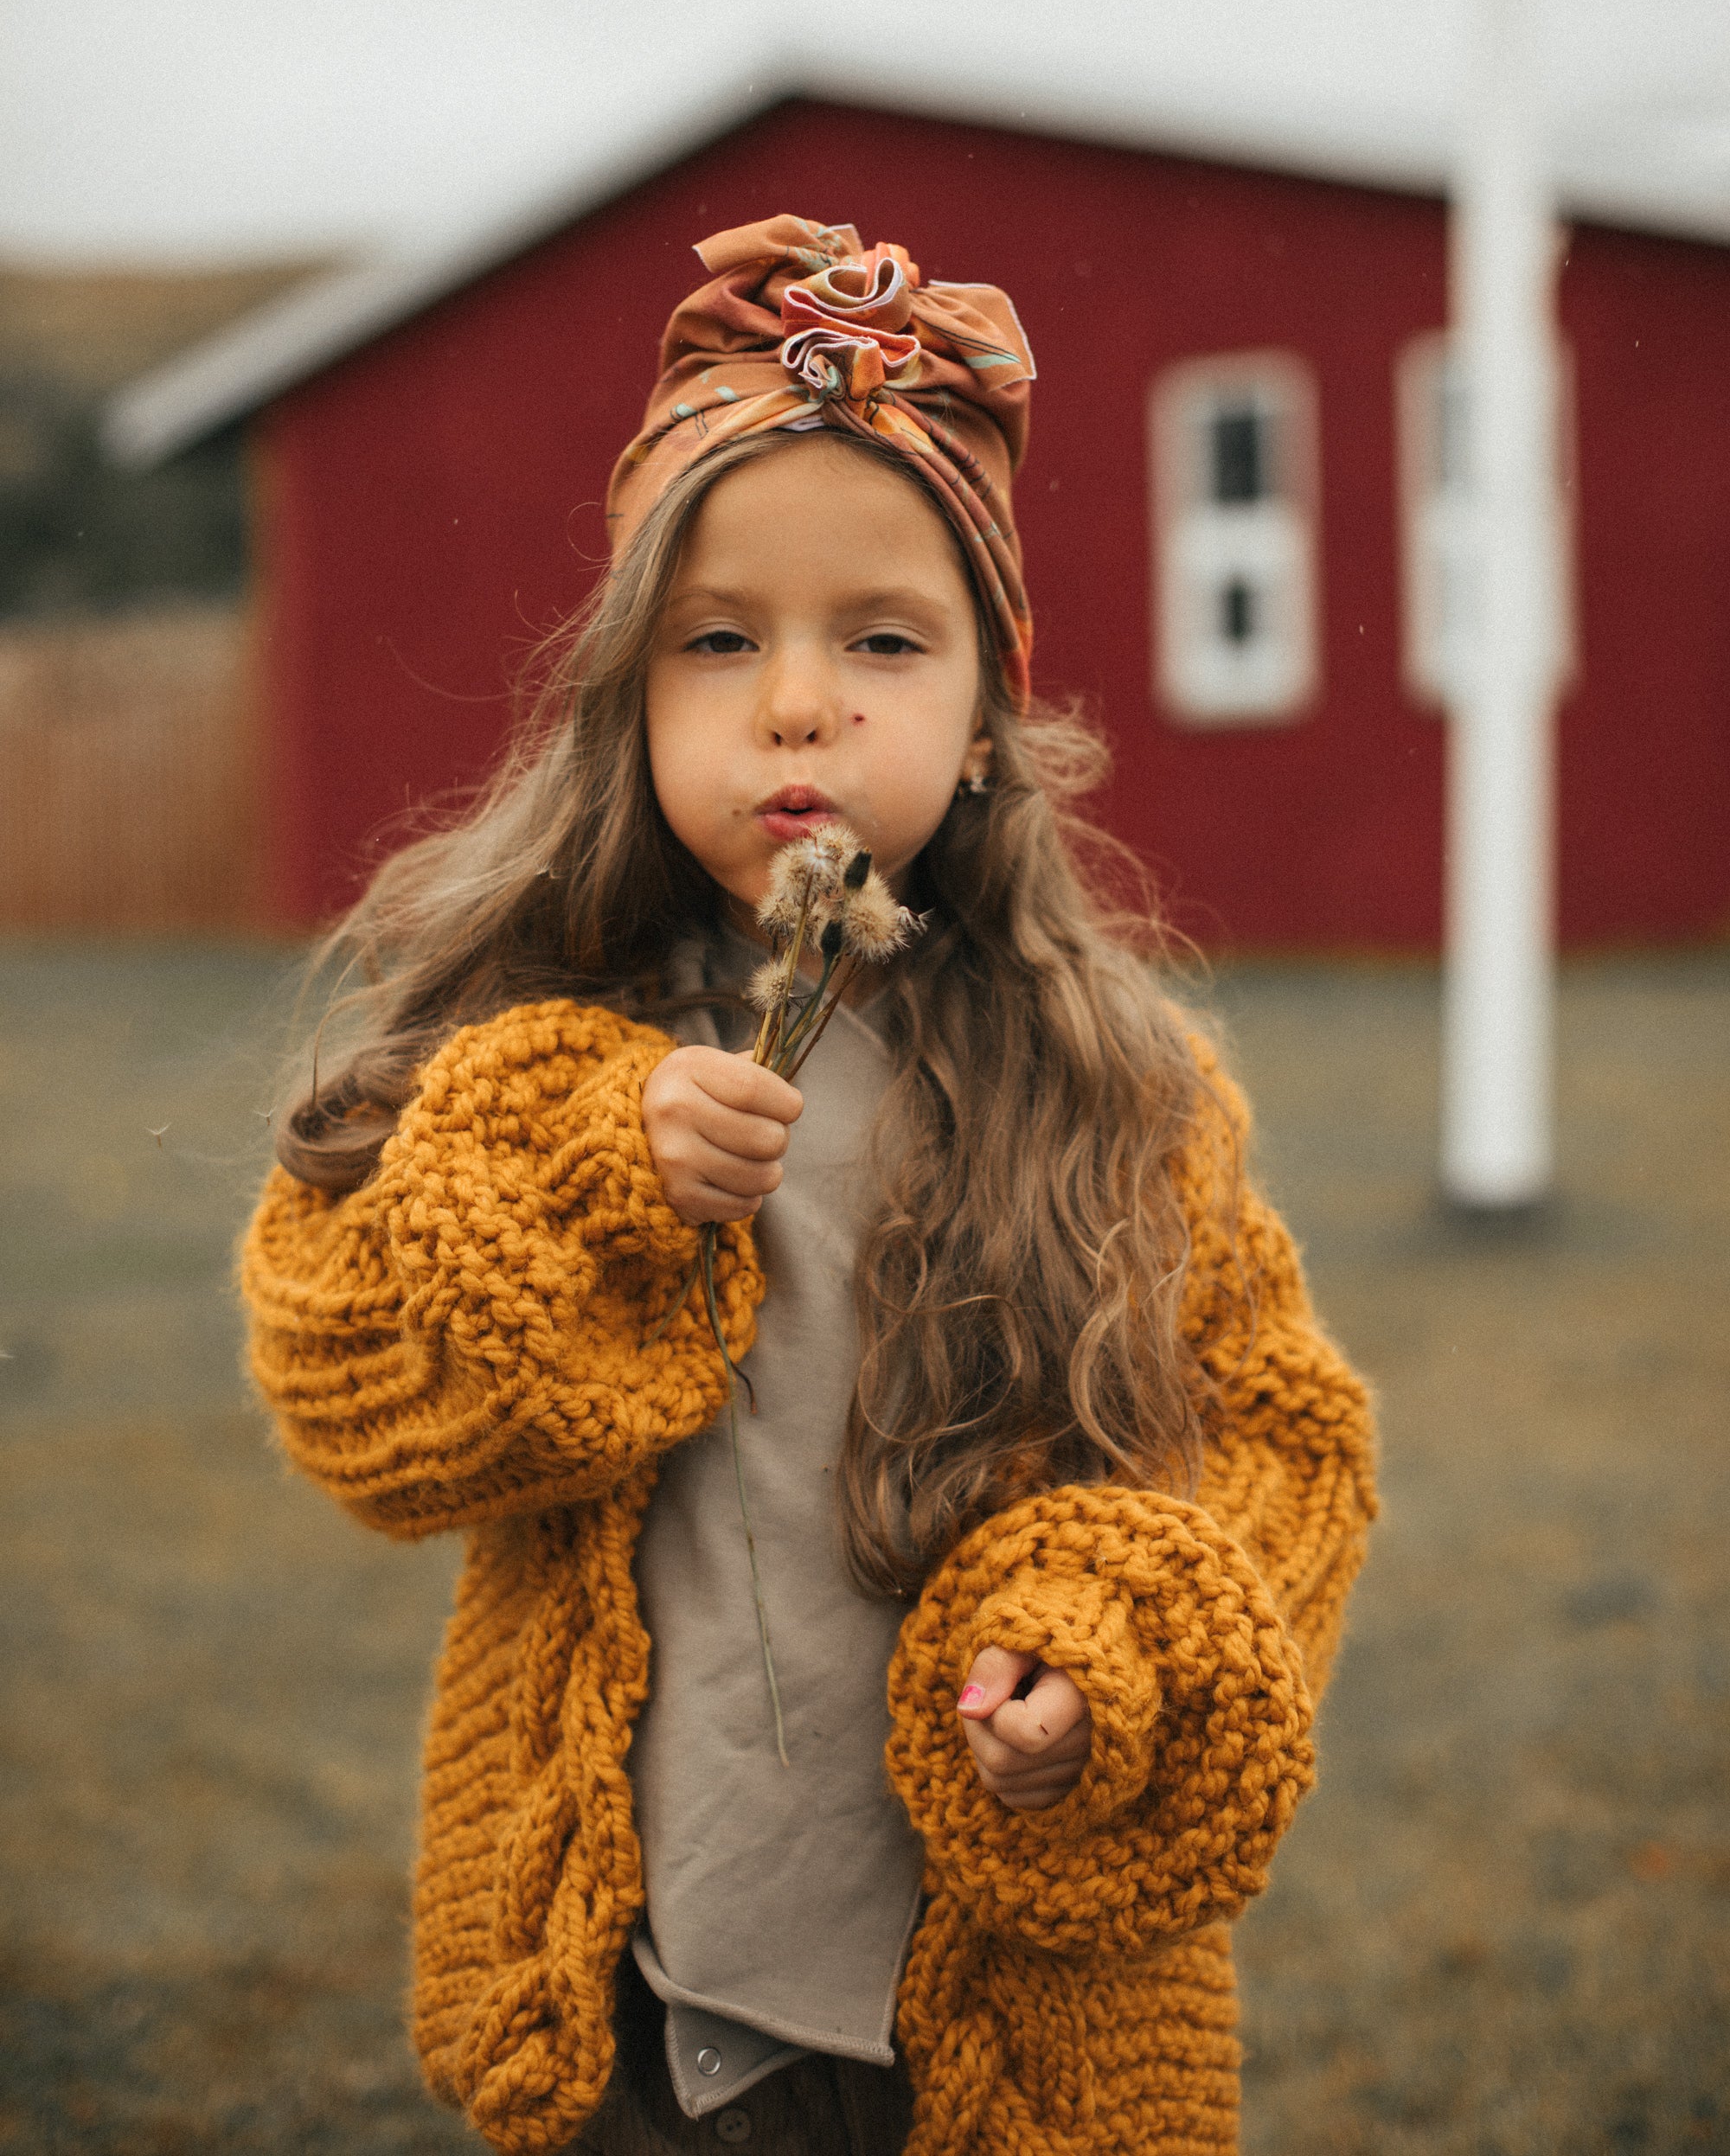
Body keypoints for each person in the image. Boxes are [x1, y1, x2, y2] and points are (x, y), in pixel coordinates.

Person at [243, 213, 1376, 2156]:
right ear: (627, 693)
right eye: (718, 639)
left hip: (1002, 1994)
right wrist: (595, 1173)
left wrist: (1105, 1653)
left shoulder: (1118, 1089)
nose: (798, 703)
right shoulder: (530, 1043)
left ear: (984, 707)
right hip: (639, 1990)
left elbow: (1281, 1447)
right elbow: (357, 1392)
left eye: (880, 639)